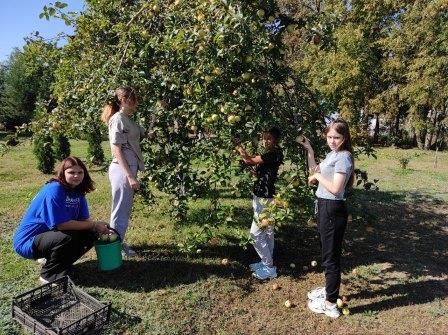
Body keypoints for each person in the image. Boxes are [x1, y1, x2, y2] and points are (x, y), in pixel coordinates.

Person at [13, 157, 111, 284]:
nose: (76, 176)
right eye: (71, 172)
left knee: (92, 233)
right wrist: (94, 224)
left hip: (50, 237)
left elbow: (85, 221)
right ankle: (48, 276)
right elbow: (61, 225)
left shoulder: (78, 193)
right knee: (68, 237)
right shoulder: (54, 189)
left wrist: (100, 228)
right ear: (63, 173)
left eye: (80, 172)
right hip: (28, 242)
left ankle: (56, 262)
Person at [299, 118, 355, 319]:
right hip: (324, 206)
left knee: (331, 259)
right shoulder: (334, 154)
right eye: (329, 136)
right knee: (326, 252)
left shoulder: (344, 157)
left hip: (333, 209)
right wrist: (310, 151)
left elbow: (335, 188)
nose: (332, 140)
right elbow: (315, 170)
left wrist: (317, 178)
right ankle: (329, 290)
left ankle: (331, 304)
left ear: (344, 137)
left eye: (336, 137)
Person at [101, 86, 145, 257]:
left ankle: (117, 241)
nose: (137, 102)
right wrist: (130, 176)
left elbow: (146, 133)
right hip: (122, 169)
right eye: (134, 98)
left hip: (129, 168)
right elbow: (116, 150)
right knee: (120, 210)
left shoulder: (128, 119)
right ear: (124, 99)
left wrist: (158, 112)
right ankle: (114, 246)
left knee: (123, 210)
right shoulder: (118, 119)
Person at [237, 127, 284, 280]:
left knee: (255, 234)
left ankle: (269, 267)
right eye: (263, 137)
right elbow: (260, 173)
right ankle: (267, 264)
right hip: (264, 196)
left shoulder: (272, 153)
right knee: (268, 232)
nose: (265, 141)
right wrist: (253, 171)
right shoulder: (271, 154)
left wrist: (239, 146)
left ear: (276, 140)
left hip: (264, 198)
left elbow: (249, 160)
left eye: (269, 138)